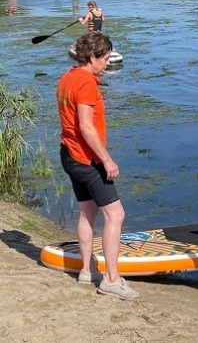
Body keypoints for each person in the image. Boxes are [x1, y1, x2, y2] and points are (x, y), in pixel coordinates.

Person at [56, 32, 138, 300]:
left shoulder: (66, 77)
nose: (107, 63)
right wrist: (106, 159)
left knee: (87, 212)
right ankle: (111, 280)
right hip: (87, 159)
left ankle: (87, 270)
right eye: (104, 58)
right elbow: (86, 126)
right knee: (115, 215)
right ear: (92, 57)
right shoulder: (86, 83)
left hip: (69, 155)